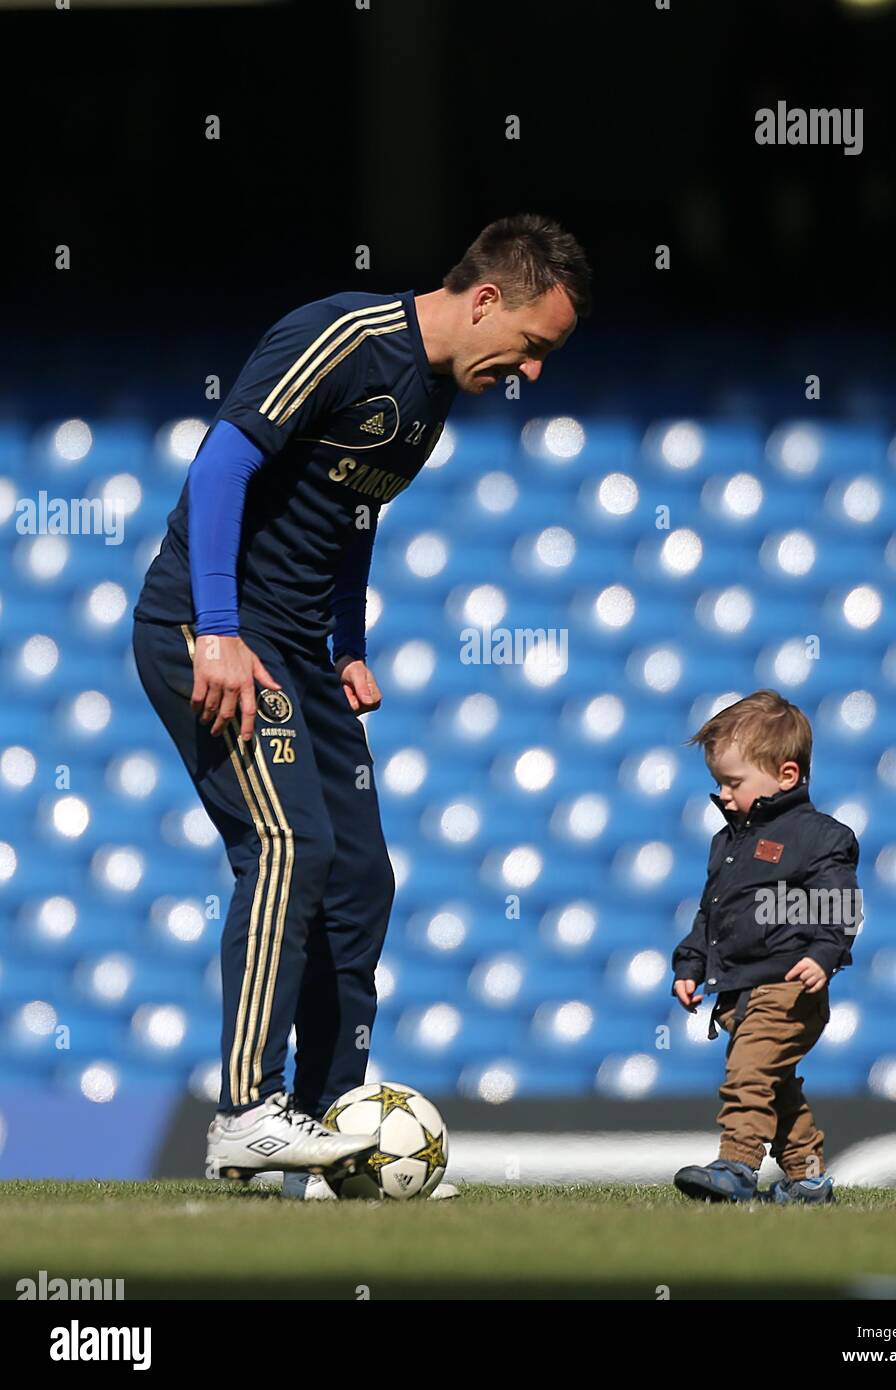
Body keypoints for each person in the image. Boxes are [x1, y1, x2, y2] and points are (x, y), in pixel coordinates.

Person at [131, 213, 591, 1188]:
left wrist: (349, 643)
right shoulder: (341, 337)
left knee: (360, 882)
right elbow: (222, 463)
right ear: (483, 300)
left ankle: (331, 1129)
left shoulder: (431, 396)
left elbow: (353, 512)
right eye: (534, 346)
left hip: (302, 653)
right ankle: (246, 1113)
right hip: (213, 632)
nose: (532, 372)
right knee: (290, 844)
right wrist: (218, 628)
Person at [670, 690, 861, 1205]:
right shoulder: (728, 843)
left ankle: (737, 1164)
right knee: (775, 1086)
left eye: (733, 783)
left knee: (748, 1074)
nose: (724, 796)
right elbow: (711, 914)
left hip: (787, 985)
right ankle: (809, 1177)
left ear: (787, 776)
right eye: (718, 784)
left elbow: (840, 904)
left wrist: (824, 953)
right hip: (738, 991)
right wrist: (690, 962)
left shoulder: (819, 837)